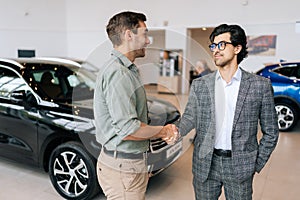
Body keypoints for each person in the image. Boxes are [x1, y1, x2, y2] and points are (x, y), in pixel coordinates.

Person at [179, 24, 279, 199]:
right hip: (205, 165)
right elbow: (189, 117)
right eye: (213, 46)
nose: (215, 50)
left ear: (237, 48)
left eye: (221, 45)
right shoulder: (201, 84)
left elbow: (271, 131)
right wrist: (172, 130)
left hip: (240, 166)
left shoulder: (259, 86)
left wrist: (255, 162)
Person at [93, 11, 179, 200]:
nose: (148, 41)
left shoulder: (124, 69)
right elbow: (128, 129)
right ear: (129, 35)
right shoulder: (119, 73)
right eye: (145, 34)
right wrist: (164, 132)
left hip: (126, 164)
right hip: (124, 166)